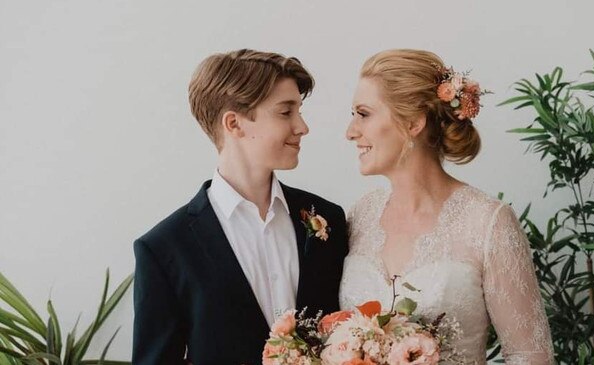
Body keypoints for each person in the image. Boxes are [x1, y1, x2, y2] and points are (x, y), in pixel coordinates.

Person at [132, 49, 348, 365]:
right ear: (234, 124)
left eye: (299, 111)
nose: (302, 127)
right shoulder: (164, 248)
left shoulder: (328, 218)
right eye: (286, 112)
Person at [340, 49, 554, 364]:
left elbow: (530, 355)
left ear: (413, 122)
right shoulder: (359, 216)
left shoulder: (488, 222)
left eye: (364, 113)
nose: (350, 131)